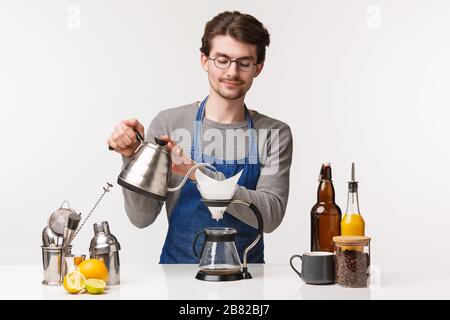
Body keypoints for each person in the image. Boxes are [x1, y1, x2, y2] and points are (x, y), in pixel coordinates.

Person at [107, 11, 293, 263]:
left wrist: (197, 173)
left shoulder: (274, 134)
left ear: (258, 67)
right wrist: (131, 157)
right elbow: (142, 218)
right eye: (222, 60)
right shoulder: (169, 124)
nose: (232, 72)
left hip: (246, 281)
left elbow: (270, 216)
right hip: (177, 276)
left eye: (244, 62)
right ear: (204, 60)